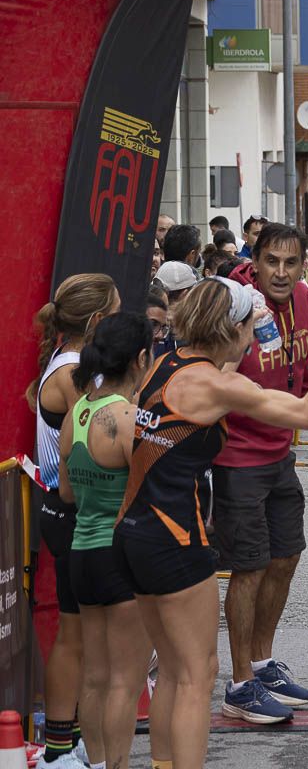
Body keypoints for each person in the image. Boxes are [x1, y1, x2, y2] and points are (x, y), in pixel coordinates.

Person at [111, 281, 308, 768]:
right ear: (235, 328)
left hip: (133, 530)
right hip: (174, 539)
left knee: (171, 672)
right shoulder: (219, 385)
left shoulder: (168, 363)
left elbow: (211, 374)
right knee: (197, 676)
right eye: (251, 324)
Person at [214, 223, 308, 724]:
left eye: (292, 263)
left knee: (285, 557)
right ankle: (241, 683)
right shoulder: (234, 303)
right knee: (248, 566)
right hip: (236, 456)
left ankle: (264, 665)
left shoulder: (307, 297)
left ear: (304, 261)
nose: (282, 273)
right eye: (272, 262)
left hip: (279, 450)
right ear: (256, 258)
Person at [29, 273, 121, 769]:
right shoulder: (70, 372)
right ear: (98, 320)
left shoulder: (77, 362)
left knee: (89, 635)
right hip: (69, 510)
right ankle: (58, 748)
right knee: (74, 635)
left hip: (81, 509)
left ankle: (80, 737)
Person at [60, 312, 155, 769]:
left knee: (95, 677)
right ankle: (117, 764)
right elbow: (153, 492)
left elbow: (65, 491)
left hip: (81, 553)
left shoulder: (78, 411)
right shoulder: (127, 418)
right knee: (125, 681)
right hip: (120, 558)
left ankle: (96, 764)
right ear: (140, 358)